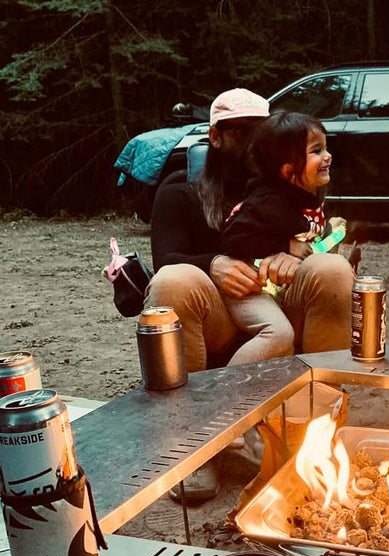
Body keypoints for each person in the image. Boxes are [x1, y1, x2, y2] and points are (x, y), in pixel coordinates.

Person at [146, 90, 354, 502]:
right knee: (174, 279)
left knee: (332, 269)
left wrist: (299, 253)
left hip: (277, 304)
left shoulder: (294, 182)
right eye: (237, 131)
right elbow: (164, 259)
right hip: (220, 318)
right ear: (215, 135)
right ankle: (194, 443)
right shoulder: (180, 190)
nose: (248, 139)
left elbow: (328, 239)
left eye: (257, 130)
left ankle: (316, 432)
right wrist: (214, 263)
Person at [219, 110, 352, 359]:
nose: (328, 156)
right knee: (277, 334)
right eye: (316, 151)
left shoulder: (309, 194)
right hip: (246, 290)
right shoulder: (270, 202)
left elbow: (318, 238)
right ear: (287, 171)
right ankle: (228, 391)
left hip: (278, 289)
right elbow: (232, 238)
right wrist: (284, 245)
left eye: (325, 147)